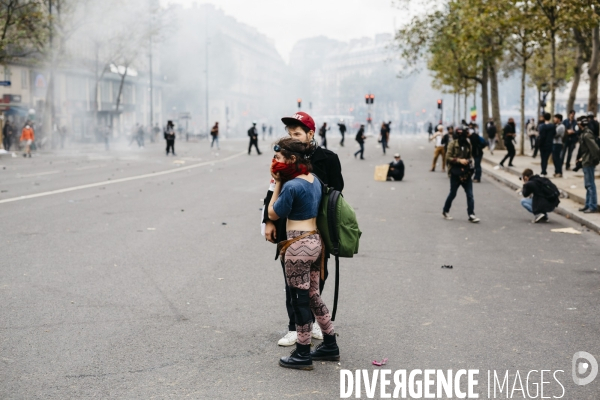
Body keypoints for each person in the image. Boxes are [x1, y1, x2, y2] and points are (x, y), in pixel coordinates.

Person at [262, 111, 344, 348]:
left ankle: (309, 332)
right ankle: (295, 327)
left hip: (318, 232)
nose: (294, 138)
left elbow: (336, 197)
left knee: (315, 282)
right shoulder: (285, 157)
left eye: (298, 134)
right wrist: (268, 222)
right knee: (294, 284)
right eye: (290, 134)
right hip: (287, 230)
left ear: (311, 133)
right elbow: (271, 193)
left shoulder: (327, 159)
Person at [442, 126, 480, 223]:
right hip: (455, 173)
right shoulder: (452, 144)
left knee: (470, 194)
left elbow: (470, 156)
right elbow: (448, 157)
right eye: (459, 133)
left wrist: (468, 162)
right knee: (453, 193)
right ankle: (445, 211)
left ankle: (471, 214)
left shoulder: (468, 144)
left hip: (466, 173)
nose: (461, 135)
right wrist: (459, 161)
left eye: (462, 133)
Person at [576, 115, 600, 213]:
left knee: (590, 185)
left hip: (588, 162)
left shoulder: (586, 135)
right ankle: (588, 204)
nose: (577, 125)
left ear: (581, 124)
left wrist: (594, 160)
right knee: (588, 185)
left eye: (578, 123)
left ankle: (592, 206)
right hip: (586, 161)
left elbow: (595, 149)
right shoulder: (584, 134)